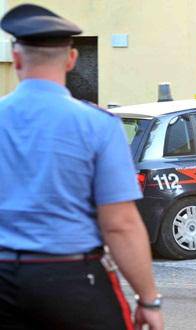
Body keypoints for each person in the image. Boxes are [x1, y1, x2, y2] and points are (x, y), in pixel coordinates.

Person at [0, 4, 163, 330]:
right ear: (71, 60)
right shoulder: (98, 125)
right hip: (72, 281)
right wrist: (148, 300)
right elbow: (119, 224)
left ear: (16, 59)